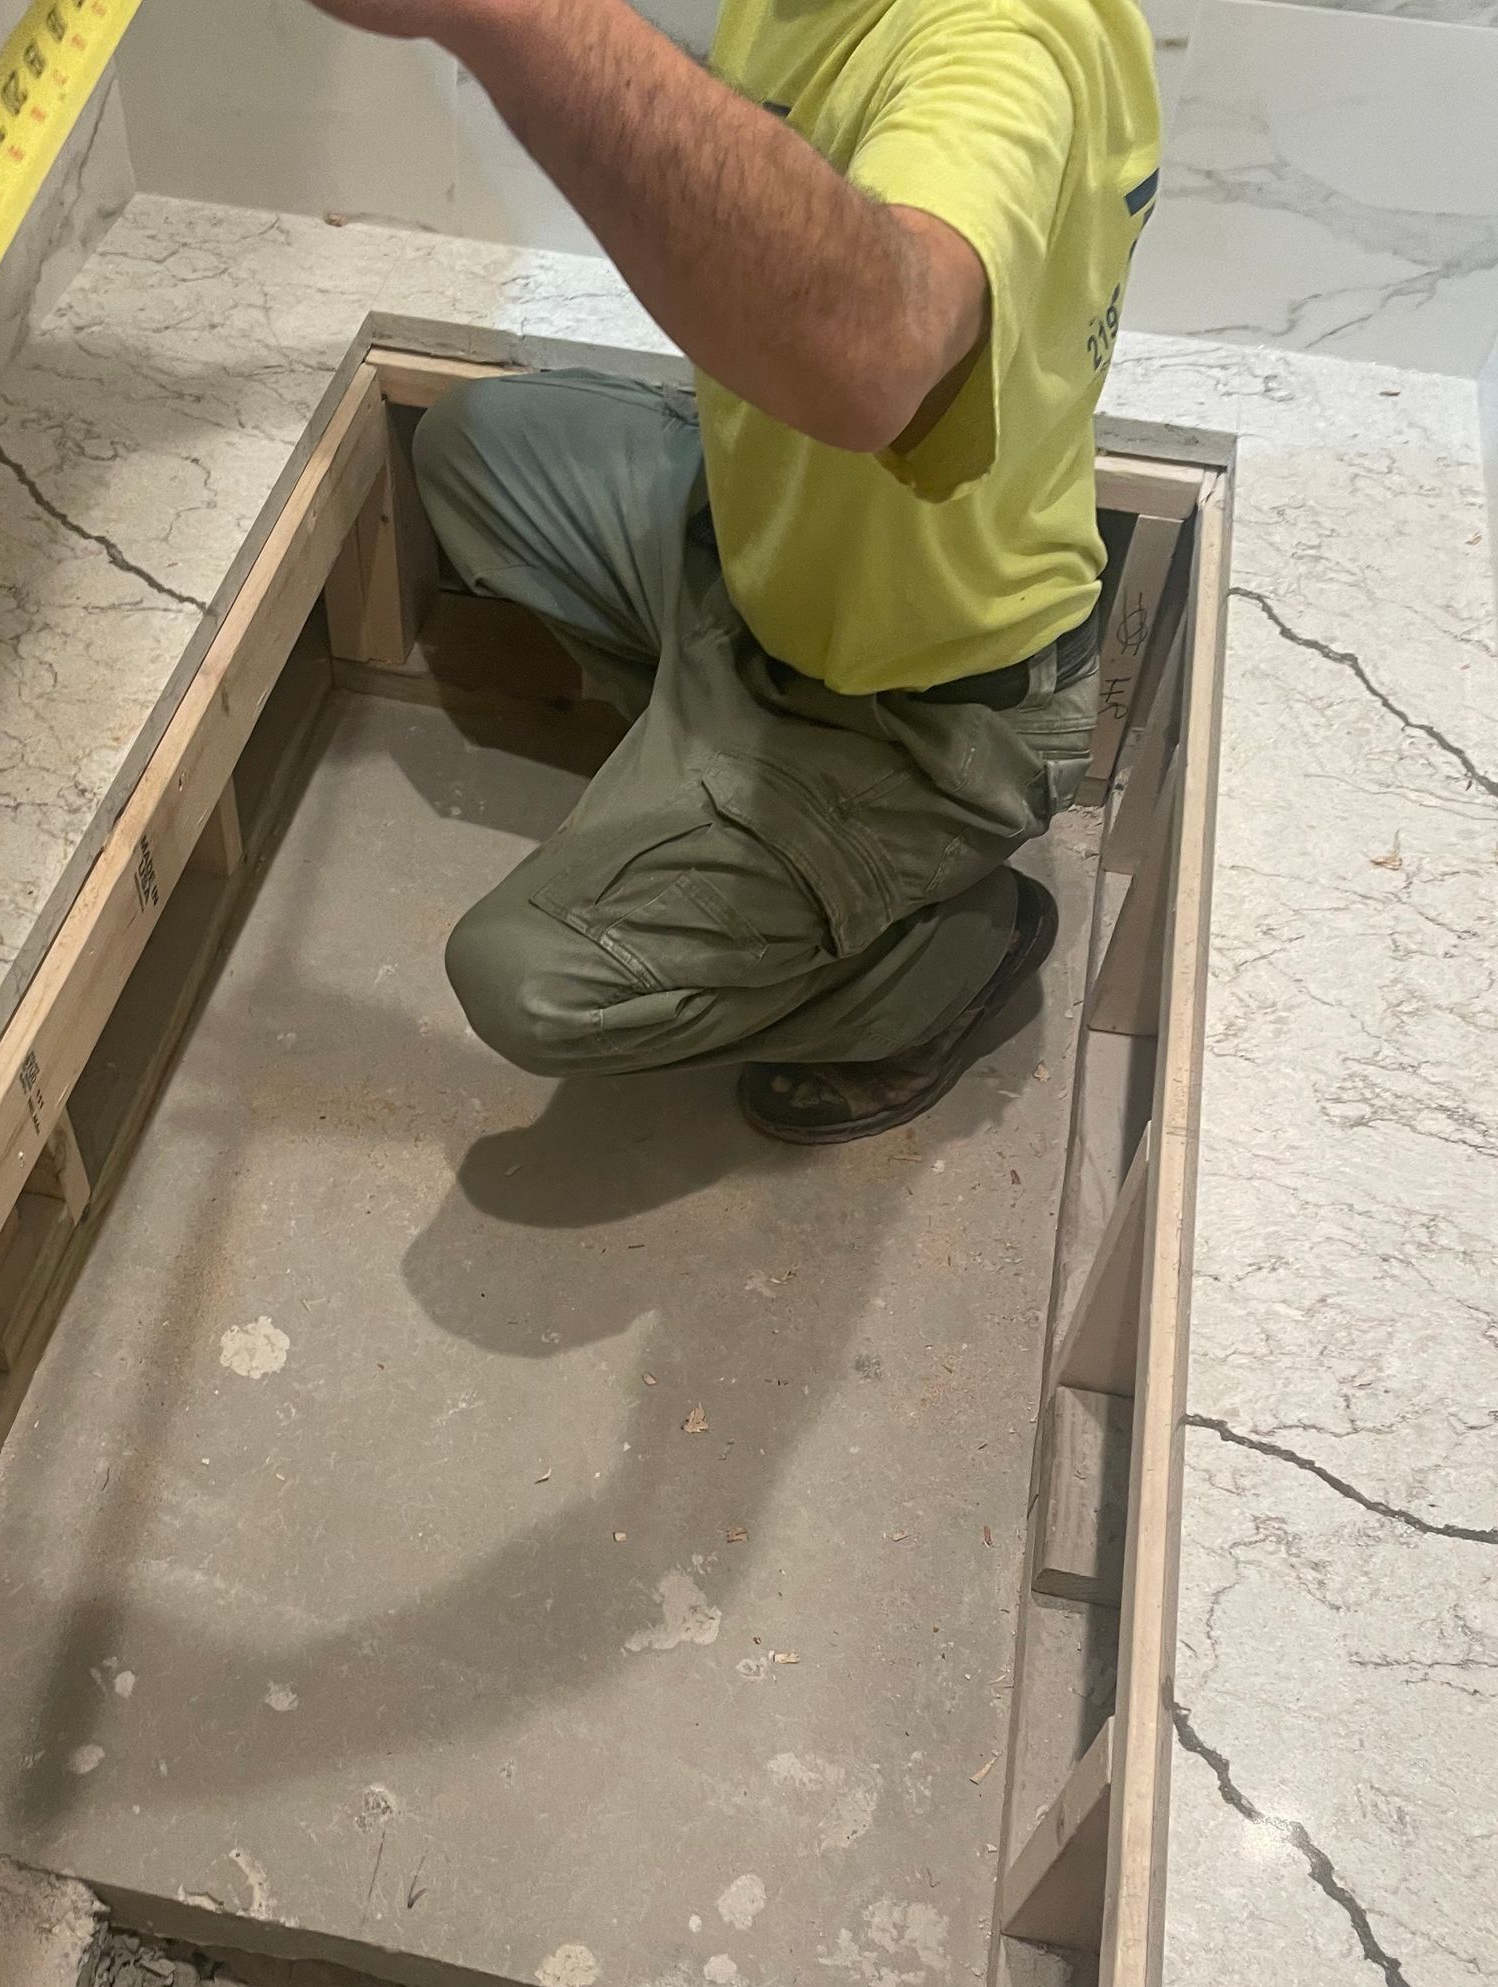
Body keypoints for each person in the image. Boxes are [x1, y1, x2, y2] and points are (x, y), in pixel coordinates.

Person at [304, 0, 1162, 1142]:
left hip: (922, 712)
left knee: (529, 983)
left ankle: (956, 957)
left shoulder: (997, 44)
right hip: (762, 553)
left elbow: (878, 355)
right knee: (472, 453)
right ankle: (700, 768)